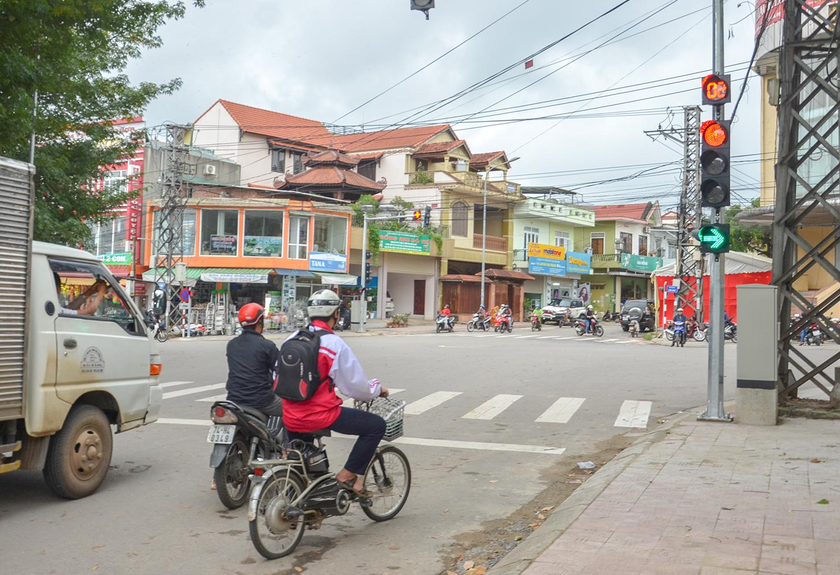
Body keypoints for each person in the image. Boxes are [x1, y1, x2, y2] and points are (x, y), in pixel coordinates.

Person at [282, 289, 389, 497]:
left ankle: (298, 502)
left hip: (290, 417)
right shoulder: (333, 344)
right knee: (376, 426)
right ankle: (347, 475)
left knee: (300, 463)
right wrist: (377, 389)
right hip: (320, 415)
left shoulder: (292, 339)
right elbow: (356, 387)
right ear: (336, 314)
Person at [224, 303, 284, 418]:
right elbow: (281, 370)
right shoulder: (266, 345)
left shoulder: (231, 344)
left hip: (234, 399)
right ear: (259, 322)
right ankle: (287, 437)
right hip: (262, 400)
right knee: (293, 411)